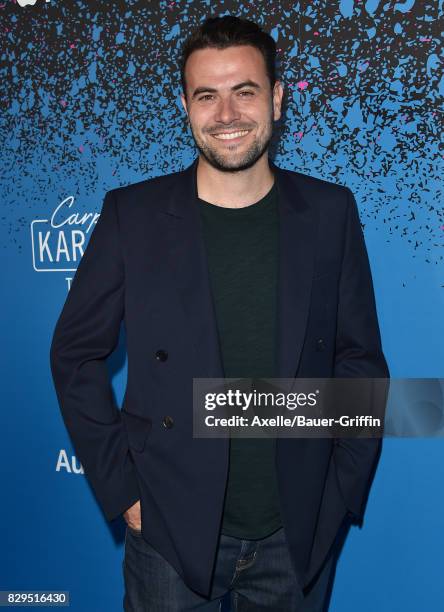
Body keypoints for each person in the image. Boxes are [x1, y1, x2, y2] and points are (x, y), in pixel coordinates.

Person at [50, 15, 389, 611]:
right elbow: (74, 354)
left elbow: (358, 357)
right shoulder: (133, 215)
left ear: (277, 99)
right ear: (185, 104)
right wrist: (124, 491)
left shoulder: (330, 212)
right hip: (168, 531)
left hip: (296, 532)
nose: (226, 114)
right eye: (207, 95)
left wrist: (340, 488)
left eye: (245, 91)